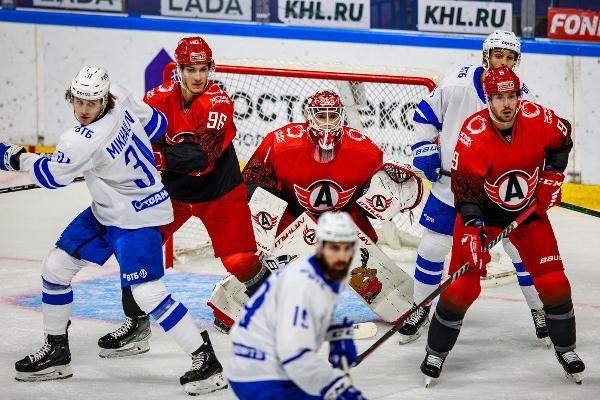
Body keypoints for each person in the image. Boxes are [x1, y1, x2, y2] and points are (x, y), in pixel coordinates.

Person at [1, 66, 225, 394]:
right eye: (79, 102)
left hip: (138, 217)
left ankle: (206, 360)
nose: (84, 110)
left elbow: (52, 177)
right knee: (56, 267)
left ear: (103, 98)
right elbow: (157, 124)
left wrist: (12, 157)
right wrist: (113, 156)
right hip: (108, 210)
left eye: (91, 103)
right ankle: (57, 352)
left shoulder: (78, 140)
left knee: (147, 293)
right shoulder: (120, 94)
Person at [97, 36, 269, 353]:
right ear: (179, 69)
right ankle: (136, 324)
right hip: (173, 194)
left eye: (204, 68)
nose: (198, 77)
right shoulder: (157, 98)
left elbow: (201, 160)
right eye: (190, 69)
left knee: (240, 260)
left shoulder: (218, 104)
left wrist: (157, 156)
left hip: (220, 192)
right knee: (134, 249)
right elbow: (133, 138)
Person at [420, 66, 585, 385]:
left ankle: (567, 350)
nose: (507, 104)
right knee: (462, 286)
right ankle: (436, 352)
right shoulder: (474, 134)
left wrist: (552, 177)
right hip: (482, 217)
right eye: (498, 98)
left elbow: (562, 140)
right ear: (488, 99)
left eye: (512, 96)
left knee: (554, 283)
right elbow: (466, 193)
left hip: (529, 215)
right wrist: (471, 230)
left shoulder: (539, 118)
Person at [403, 30, 548, 344]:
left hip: (501, 193)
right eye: (499, 55)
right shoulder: (458, 83)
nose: (504, 62)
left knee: (520, 247)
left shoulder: (522, 96)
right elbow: (425, 115)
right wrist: (425, 147)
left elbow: (537, 141)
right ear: (486, 56)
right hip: (452, 187)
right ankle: (420, 306)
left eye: (510, 58)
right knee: (433, 245)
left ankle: (541, 309)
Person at [227, 211, 366, 399]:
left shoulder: (321, 272)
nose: (341, 256)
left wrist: (335, 333)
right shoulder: (303, 284)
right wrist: (337, 387)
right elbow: (295, 356)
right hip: (259, 375)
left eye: (347, 248)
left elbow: (312, 313)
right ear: (321, 247)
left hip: (264, 366)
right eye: (335, 248)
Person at [242, 89, 382, 242]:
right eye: (321, 116)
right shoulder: (280, 143)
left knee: (365, 260)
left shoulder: (365, 150)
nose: (327, 123)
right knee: (244, 262)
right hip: (293, 215)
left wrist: (384, 198)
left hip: (343, 217)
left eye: (333, 116)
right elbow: (252, 181)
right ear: (309, 116)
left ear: (341, 117)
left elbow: (373, 198)